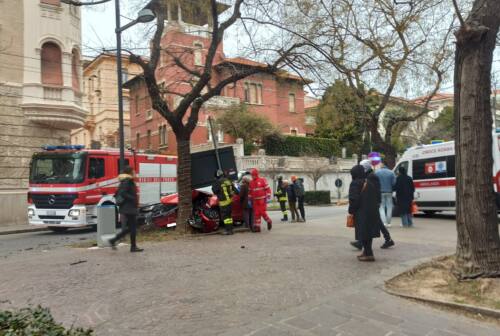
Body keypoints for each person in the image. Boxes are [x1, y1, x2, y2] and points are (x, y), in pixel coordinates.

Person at [350, 160, 395, 250]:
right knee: (376, 221)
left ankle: (387, 239)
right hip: (372, 203)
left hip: (372, 204)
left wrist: (376, 203)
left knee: (376, 221)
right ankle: (363, 242)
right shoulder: (369, 175)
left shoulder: (371, 176)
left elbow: (374, 191)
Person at [348, 164, 381, 261]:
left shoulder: (355, 183)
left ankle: (369, 254)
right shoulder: (369, 182)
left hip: (361, 212)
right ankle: (367, 252)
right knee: (368, 233)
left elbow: (353, 199)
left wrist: (351, 210)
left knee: (363, 233)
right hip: (372, 211)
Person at [109, 166, 143, 252]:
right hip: (129, 207)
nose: (135, 173)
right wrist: (132, 198)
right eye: (133, 171)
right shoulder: (127, 181)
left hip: (127, 207)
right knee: (133, 227)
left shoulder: (126, 181)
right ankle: (133, 247)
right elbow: (122, 193)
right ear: (130, 173)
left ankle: (114, 240)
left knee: (132, 227)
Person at [212, 169, 236, 235]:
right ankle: (231, 230)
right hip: (230, 202)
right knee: (229, 216)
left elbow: (214, 190)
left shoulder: (218, 182)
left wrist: (215, 182)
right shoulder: (228, 180)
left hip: (224, 203)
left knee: (225, 218)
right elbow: (234, 190)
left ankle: (228, 230)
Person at [375, 160, 396, 227]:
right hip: (389, 192)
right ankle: (389, 222)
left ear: (383, 164)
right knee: (389, 207)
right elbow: (394, 183)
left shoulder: (377, 172)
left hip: (380, 192)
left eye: (380, 163)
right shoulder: (391, 173)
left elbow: (375, 183)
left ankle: (384, 222)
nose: (380, 165)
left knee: (381, 207)